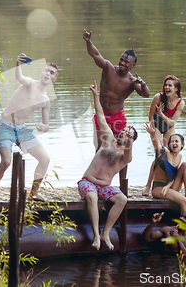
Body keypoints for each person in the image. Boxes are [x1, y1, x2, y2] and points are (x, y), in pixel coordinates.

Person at [0, 53, 59, 205]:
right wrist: (18, 63)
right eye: (46, 70)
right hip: (5, 125)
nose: (48, 74)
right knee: (6, 161)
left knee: (45, 159)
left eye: (52, 73)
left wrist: (43, 127)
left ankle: (34, 194)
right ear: (41, 72)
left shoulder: (46, 101)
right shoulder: (30, 83)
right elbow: (19, 77)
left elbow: (46, 125)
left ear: (54, 79)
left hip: (21, 129)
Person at [83, 29, 150, 181]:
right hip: (101, 116)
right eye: (121, 59)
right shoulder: (108, 68)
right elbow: (95, 54)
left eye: (126, 62)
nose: (122, 63)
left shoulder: (131, 82)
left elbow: (146, 94)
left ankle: (122, 184)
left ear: (132, 65)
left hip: (117, 117)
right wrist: (88, 42)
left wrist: (142, 83)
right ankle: (96, 180)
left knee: (122, 150)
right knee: (100, 149)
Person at [78, 80, 137, 251]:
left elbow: (129, 155)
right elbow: (101, 115)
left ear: (130, 141)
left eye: (127, 134)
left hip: (104, 187)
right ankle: (96, 236)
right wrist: (96, 95)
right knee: (92, 196)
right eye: (124, 131)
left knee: (122, 199)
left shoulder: (123, 156)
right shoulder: (108, 138)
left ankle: (106, 233)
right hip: (87, 181)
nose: (123, 133)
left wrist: (129, 141)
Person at [142, 75, 185, 196]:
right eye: (165, 85)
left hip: (168, 127)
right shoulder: (158, 97)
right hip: (155, 126)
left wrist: (161, 114)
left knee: (168, 154)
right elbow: (150, 115)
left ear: (176, 89)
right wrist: (154, 131)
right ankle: (148, 185)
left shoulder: (180, 103)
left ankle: (167, 182)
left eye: (170, 85)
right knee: (159, 154)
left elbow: (171, 122)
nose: (166, 87)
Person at [143, 122, 186, 216]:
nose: (173, 143)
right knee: (184, 201)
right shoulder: (165, 153)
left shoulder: (179, 157)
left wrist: (168, 186)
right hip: (158, 188)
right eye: (171, 142)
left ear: (182, 145)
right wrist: (153, 135)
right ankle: (185, 228)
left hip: (169, 187)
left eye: (176, 141)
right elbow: (158, 147)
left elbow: (172, 176)